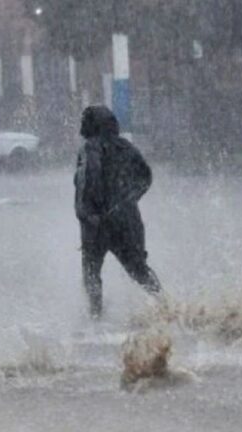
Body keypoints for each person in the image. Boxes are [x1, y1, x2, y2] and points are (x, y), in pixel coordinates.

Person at [74, 105, 162, 319]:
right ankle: (168, 307)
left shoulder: (90, 147)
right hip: (127, 221)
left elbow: (90, 176)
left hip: (97, 223)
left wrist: (88, 212)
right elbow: (146, 176)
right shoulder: (127, 147)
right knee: (139, 270)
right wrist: (128, 201)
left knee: (91, 272)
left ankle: (96, 317)